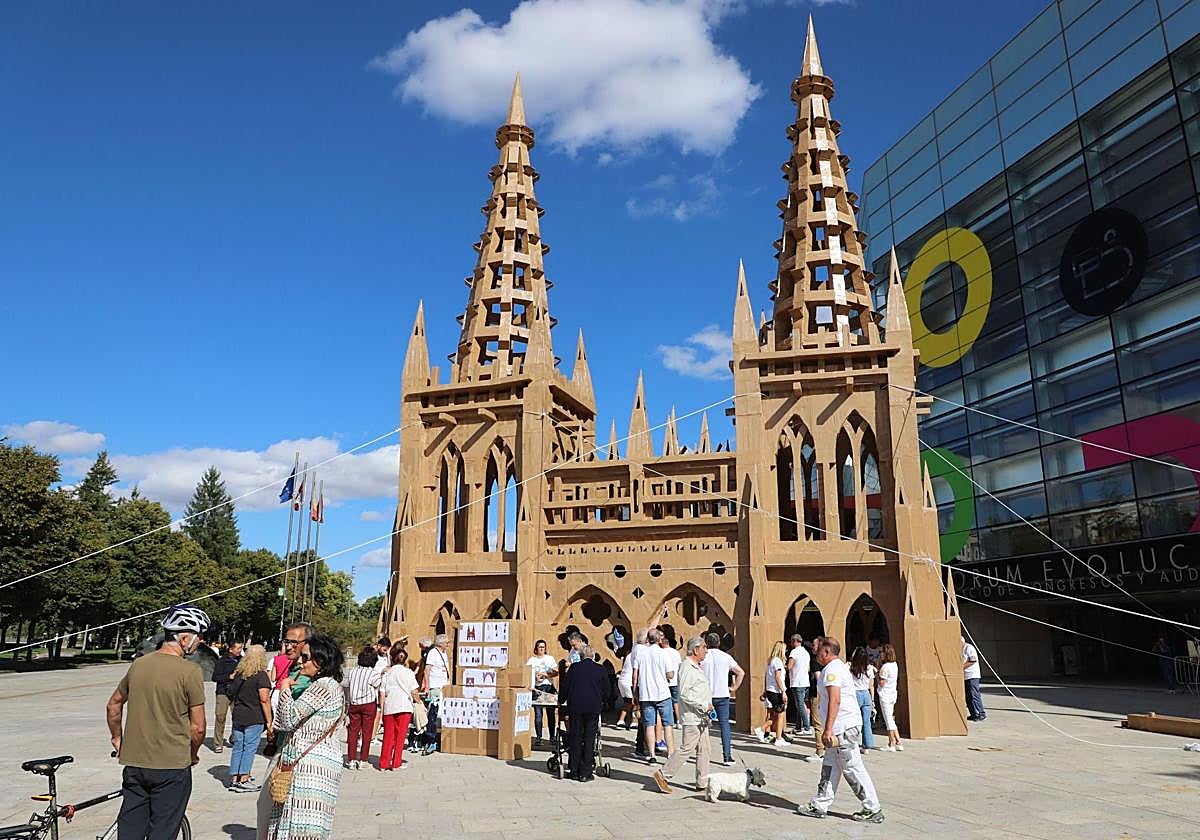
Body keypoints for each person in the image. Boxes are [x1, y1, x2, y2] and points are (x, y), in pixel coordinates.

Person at [105, 604, 209, 840]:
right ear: (184, 637)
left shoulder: (139, 664)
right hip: (171, 766)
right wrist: (192, 754)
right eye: (199, 637)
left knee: (130, 831)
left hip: (135, 764)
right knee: (163, 832)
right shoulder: (190, 671)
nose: (200, 642)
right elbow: (198, 727)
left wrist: (117, 738)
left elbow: (113, 705)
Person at [797, 637, 884, 824]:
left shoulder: (833, 670)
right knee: (830, 766)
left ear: (827, 652)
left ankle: (872, 807)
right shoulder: (835, 668)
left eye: (818, 650)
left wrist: (827, 729)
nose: (816, 652)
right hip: (840, 728)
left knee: (852, 767)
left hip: (842, 728)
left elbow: (835, 699)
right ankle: (820, 804)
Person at [267, 634, 345, 840]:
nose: (300, 662)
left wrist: (284, 690)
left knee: (301, 828)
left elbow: (288, 719)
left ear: (320, 662)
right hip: (315, 761)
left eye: (305, 657)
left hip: (310, 767)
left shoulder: (323, 686)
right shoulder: (327, 685)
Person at [256, 621, 314, 840]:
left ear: (307, 644)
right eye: (286, 641)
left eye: (293, 642)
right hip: (283, 745)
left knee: (273, 808)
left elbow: (294, 716)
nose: (288, 646)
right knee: (267, 807)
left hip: (297, 753)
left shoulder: (310, 677)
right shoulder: (292, 668)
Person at [654, 636, 713, 794]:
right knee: (687, 748)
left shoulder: (696, 666)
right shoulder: (687, 667)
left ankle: (703, 781)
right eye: (704, 647)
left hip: (701, 716)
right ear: (695, 649)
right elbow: (685, 694)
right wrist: (702, 705)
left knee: (705, 748)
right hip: (693, 716)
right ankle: (663, 774)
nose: (706, 651)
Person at [559, 644, 613, 782]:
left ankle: (574, 770)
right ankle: (585, 772)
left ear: (581, 656)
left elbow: (565, 687)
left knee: (575, 738)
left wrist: (561, 700)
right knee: (589, 739)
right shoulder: (600, 669)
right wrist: (604, 702)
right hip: (593, 708)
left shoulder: (574, 668)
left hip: (575, 707)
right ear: (593, 656)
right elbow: (607, 691)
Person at [227, 644, 272, 792]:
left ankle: (235, 778)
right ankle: (244, 778)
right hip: (254, 715)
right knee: (249, 747)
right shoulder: (261, 676)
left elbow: (231, 693)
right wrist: (269, 720)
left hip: (239, 714)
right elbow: (264, 699)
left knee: (238, 746)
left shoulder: (239, 674)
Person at [632, 628, 675, 764]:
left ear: (647, 639)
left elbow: (635, 675)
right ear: (659, 639)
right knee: (667, 724)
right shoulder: (663, 654)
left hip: (646, 694)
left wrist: (634, 692)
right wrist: (668, 676)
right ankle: (670, 753)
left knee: (649, 725)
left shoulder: (641, 654)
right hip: (662, 693)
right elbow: (670, 674)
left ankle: (651, 755)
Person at [701, 631, 744, 766]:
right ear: (719, 643)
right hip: (722, 694)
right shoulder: (726, 657)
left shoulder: (703, 657)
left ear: (706, 643)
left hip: (706, 695)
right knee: (724, 725)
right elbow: (740, 672)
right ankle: (727, 756)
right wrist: (734, 687)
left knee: (703, 725)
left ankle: (702, 755)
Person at [379, 644, 419, 770]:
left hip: (389, 705)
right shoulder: (409, 673)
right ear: (405, 660)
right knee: (400, 736)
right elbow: (414, 691)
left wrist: (381, 709)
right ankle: (396, 762)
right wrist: (419, 702)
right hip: (404, 706)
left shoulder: (387, 673)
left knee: (388, 736)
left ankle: (384, 763)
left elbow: (382, 692)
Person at [345, 646, 382, 770]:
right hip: (368, 704)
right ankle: (363, 759)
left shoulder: (352, 671)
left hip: (354, 703)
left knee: (353, 732)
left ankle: (351, 759)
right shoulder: (373, 673)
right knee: (366, 733)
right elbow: (377, 684)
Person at [421, 634, 452, 754]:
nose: (448, 645)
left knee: (440, 714)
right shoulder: (433, 653)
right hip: (435, 687)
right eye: (447, 643)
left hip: (444, 686)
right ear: (441, 643)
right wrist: (427, 686)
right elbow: (427, 670)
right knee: (433, 713)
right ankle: (430, 740)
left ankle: (437, 739)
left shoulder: (444, 653)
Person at [212, 641, 243, 753]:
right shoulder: (221, 661)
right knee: (220, 717)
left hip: (237, 692)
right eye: (238, 648)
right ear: (231, 649)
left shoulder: (242, 660)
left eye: (241, 648)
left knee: (238, 717)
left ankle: (234, 737)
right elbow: (215, 677)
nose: (240, 650)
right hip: (223, 692)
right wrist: (229, 676)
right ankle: (218, 743)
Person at [526, 639, 559, 745]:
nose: (542, 649)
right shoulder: (531, 660)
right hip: (537, 688)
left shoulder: (549, 659)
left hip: (548, 687)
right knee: (538, 714)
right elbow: (527, 673)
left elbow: (556, 672)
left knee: (551, 714)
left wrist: (546, 675)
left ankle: (552, 737)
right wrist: (535, 676)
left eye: (543, 647)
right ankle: (539, 737)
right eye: (540, 647)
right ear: (536, 648)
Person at [755, 641, 788, 747]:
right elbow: (778, 677)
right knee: (780, 714)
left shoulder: (770, 662)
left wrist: (765, 691)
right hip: (776, 691)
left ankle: (774, 735)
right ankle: (767, 732)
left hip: (770, 690)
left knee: (777, 714)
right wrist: (783, 691)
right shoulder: (778, 662)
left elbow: (767, 678)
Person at [848, 647, 876, 752]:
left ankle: (853, 741)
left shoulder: (850, 667)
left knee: (854, 720)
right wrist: (872, 700)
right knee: (866, 721)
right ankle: (867, 745)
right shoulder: (869, 668)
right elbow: (871, 685)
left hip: (855, 693)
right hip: (866, 694)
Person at [659, 632, 682, 748]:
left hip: (665, 681)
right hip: (675, 681)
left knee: (665, 703)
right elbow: (679, 665)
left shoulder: (662, 653)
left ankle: (666, 722)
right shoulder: (675, 653)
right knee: (676, 701)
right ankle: (678, 721)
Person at [876, 644, 901, 751]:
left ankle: (891, 743)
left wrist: (877, 674)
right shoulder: (894, 665)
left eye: (881, 652)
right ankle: (899, 741)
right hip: (892, 693)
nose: (880, 654)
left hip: (885, 694)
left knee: (888, 720)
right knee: (890, 717)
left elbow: (882, 683)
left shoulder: (885, 667)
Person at [787, 634, 812, 735]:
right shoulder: (806, 652)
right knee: (800, 704)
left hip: (797, 682)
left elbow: (789, 666)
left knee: (800, 705)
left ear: (795, 641)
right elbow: (808, 668)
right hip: (805, 681)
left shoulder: (794, 652)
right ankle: (798, 727)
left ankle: (806, 727)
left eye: (791, 641)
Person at [962, 635, 986, 721]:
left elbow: (972, 660)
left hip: (972, 675)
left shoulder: (968, 648)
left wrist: (960, 667)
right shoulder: (959, 649)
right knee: (968, 697)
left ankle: (981, 713)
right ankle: (973, 714)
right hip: (964, 676)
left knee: (974, 695)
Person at [615, 645, 636, 729]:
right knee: (635, 702)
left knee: (627, 702)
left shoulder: (629, 655)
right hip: (628, 681)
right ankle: (634, 722)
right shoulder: (636, 655)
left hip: (622, 680)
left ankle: (621, 720)